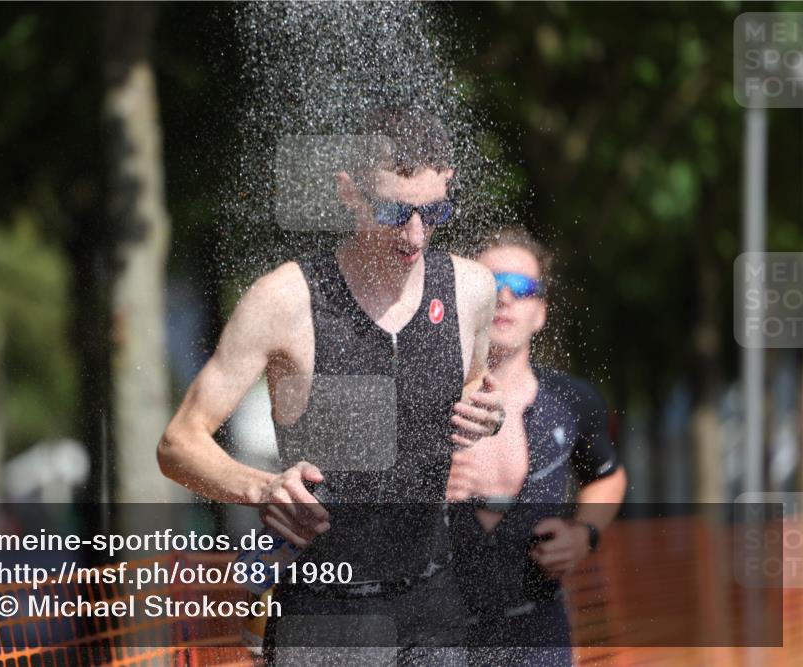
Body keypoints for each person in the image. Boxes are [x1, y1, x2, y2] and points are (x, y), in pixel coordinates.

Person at [157, 109, 505, 664]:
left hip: (432, 601)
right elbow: (178, 443)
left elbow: (472, 388)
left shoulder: (473, 289)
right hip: (325, 613)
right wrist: (262, 488)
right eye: (394, 210)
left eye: (432, 211)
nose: (415, 235)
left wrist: (490, 413)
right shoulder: (284, 301)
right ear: (348, 192)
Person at [446, 226, 628, 666]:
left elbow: (608, 477)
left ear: (541, 313)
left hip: (539, 636)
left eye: (522, 288)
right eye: (491, 285)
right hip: (438, 635)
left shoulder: (572, 401)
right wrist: (422, 481)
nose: (505, 298)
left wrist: (584, 534)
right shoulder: (425, 402)